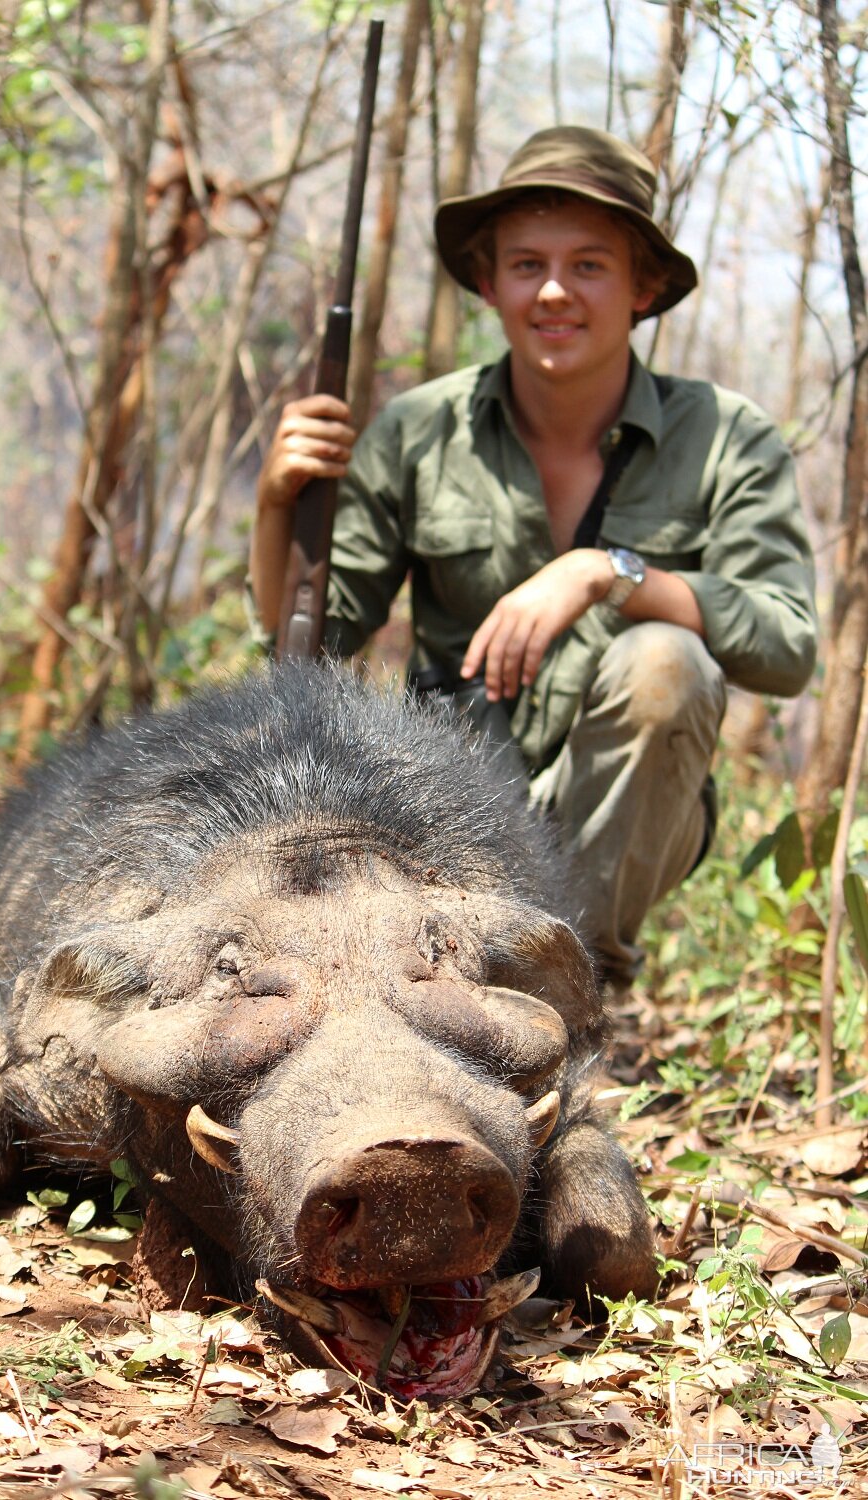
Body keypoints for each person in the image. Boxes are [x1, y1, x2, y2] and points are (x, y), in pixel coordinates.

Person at [249, 126, 817, 989]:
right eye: (527, 266)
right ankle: (480, 971)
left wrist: (606, 574)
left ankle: (573, 980)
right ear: (488, 281)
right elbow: (309, 639)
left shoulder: (727, 438)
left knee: (667, 661)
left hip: (628, 822)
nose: (555, 291)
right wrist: (274, 504)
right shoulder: (420, 431)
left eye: (589, 265)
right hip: (453, 805)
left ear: (644, 287)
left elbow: (786, 643)